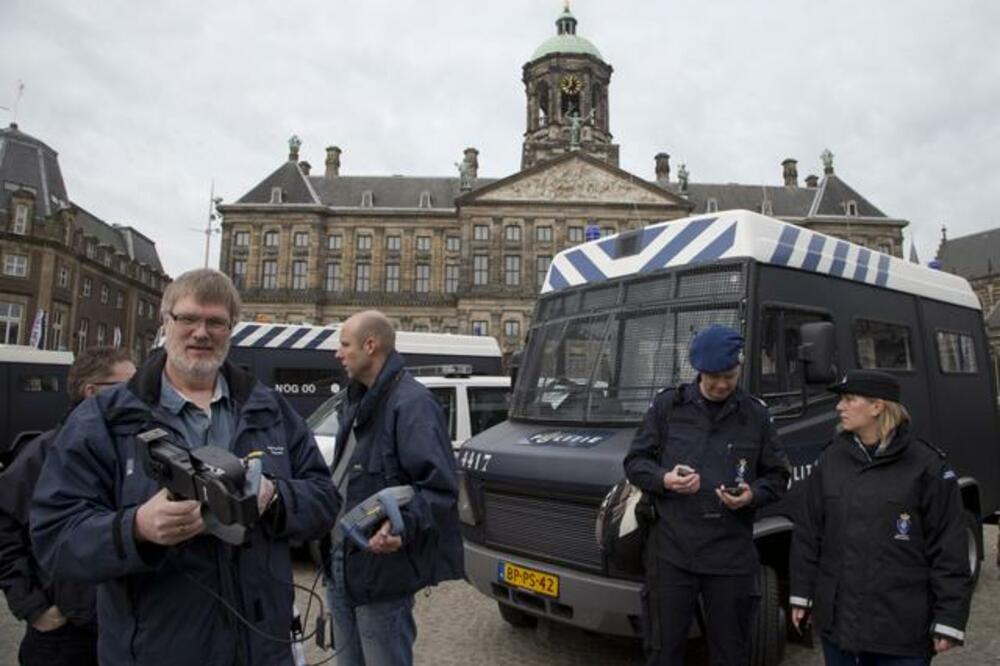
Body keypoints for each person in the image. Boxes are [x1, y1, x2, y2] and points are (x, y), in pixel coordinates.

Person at [30, 269, 338, 666]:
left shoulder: (271, 409)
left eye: (215, 322)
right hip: (157, 651)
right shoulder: (103, 420)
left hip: (261, 650)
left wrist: (276, 497)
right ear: (165, 322)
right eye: (188, 319)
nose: (201, 332)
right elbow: (54, 538)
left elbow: (326, 500)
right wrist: (137, 528)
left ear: (231, 329)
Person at [624, 324, 790, 666]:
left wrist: (751, 495)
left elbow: (778, 476)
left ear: (740, 366)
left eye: (729, 375)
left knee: (730, 653)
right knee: (663, 651)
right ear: (697, 371)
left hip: (730, 556)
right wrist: (665, 478)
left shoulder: (756, 415)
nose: (721, 384)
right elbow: (635, 463)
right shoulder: (668, 407)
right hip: (671, 553)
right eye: (712, 376)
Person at [789, 369, 973, 665]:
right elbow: (809, 533)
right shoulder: (831, 459)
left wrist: (949, 617)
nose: (839, 407)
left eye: (849, 399)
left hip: (900, 633)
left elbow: (949, 547)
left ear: (877, 407)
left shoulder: (926, 467)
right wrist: (802, 593)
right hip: (840, 630)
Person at [326, 310, 463, 666]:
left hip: (382, 573)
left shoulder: (413, 404)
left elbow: (440, 490)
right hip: (341, 563)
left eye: (344, 344)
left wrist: (402, 525)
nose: (337, 353)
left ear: (370, 346)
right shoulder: (354, 402)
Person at [0, 347, 135, 666]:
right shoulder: (44, 454)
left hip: (125, 631)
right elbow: (3, 529)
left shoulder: (134, 452)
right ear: (92, 392)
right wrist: (33, 606)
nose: (136, 396)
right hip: (64, 637)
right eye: (127, 386)